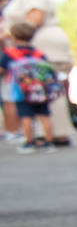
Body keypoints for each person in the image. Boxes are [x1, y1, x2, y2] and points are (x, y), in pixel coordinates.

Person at [4, 0, 76, 147]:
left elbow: (35, 17)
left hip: (41, 43)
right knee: (46, 89)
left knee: (45, 89)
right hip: (41, 42)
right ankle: (52, 133)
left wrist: (10, 37)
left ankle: (52, 134)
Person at [2, 22, 59, 154]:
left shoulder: (10, 53)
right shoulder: (38, 53)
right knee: (44, 115)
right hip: (40, 90)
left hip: (20, 91)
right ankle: (49, 142)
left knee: (26, 116)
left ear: (13, 37)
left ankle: (29, 142)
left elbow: (2, 68)